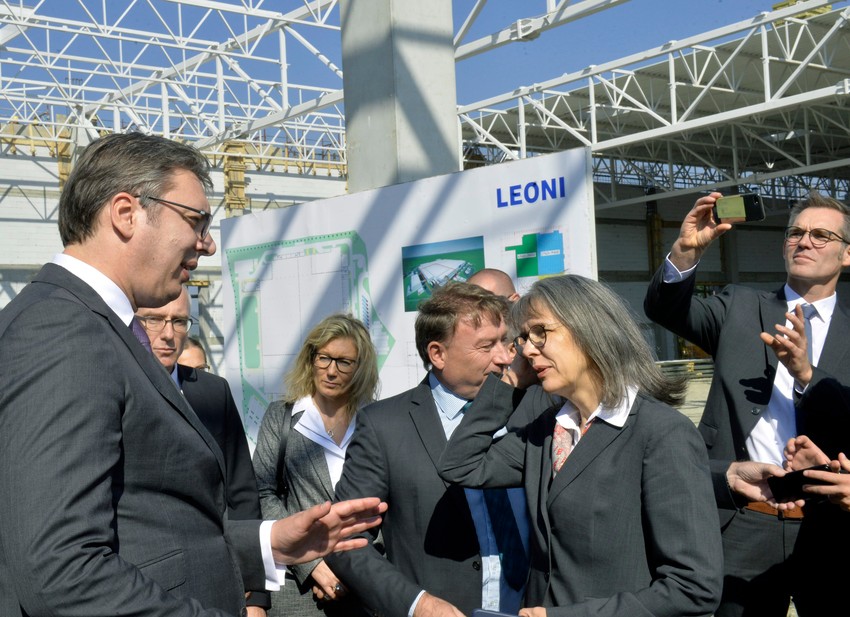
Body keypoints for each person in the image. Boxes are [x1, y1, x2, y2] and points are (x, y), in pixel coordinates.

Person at [0, 132, 386, 617]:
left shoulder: (90, 325)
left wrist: (269, 541)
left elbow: (143, 525)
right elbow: (62, 571)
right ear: (126, 213)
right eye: (195, 220)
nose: (206, 243)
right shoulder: (64, 329)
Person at [439, 274, 723, 617]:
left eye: (540, 332)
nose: (527, 350)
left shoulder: (661, 433)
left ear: (589, 329)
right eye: (525, 338)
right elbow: (461, 465)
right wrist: (510, 382)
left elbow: (693, 588)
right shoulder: (547, 430)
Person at [643, 190, 850, 616]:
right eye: (795, 232)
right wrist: (686, 251)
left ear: (847, 255)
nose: (804, 241)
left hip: (832, 526)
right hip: (743, 519)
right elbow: (666, 310)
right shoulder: (738, 306)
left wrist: (807, 374)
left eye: (821, 235)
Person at [326, 282, 523, 617]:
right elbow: (346, 541)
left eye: (505, 341)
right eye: (487, 346)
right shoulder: (385, 426)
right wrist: (417, 604)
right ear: (438, 354)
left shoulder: (530, 408)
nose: (504, 357)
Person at [137, 287, 270, 615]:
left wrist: (256, 595)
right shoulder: (113, 387)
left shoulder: (213, 391)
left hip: (220, 579)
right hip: (145, 582)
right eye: (155, 320)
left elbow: (241, 491)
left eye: (179, 321)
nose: (168, 334)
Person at [252, 313, 380, 617]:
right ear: (311, 359)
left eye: (343, 362)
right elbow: (262, 493)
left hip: (367, 586)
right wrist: (313, 565)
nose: (331, 371)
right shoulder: (281, 416)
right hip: (300, 590)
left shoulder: (377, 420)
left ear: (360, 368)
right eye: (324, 358)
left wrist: (360, 568)